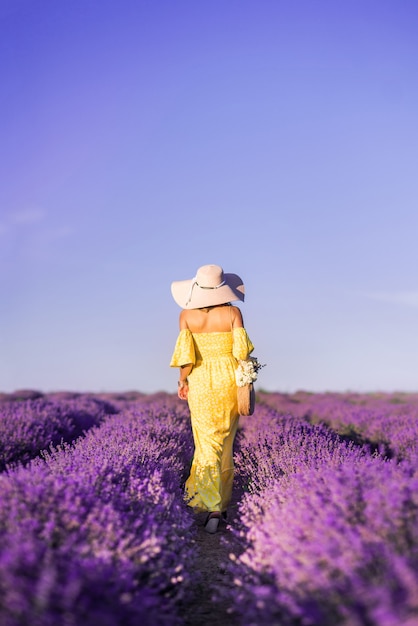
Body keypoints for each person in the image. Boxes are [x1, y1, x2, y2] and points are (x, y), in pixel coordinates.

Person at [170, 264, 254, 533]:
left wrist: (183, 381)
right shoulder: (233, 312)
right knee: (225, 441)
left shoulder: (186, 316)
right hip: (228, 380)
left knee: (205, 443)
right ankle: (220, 506)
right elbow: (242, 352)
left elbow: (186, 357)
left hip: (201, 380)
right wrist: (247, 376)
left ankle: (212, 506)